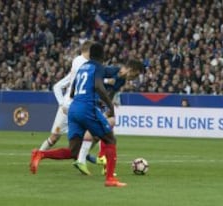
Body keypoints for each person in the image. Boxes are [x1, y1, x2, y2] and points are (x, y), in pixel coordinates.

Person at [30, 42, 127, 187]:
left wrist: (120, 71)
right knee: (110, 139)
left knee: (74, 151)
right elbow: (98, 86)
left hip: (74, 108)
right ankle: (110, 179)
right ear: (102, 55)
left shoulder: (83, 68)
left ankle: (41, 154)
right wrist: (109, 104)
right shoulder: (98, 67)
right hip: (87, 108)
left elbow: (73, 90)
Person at [74, 59, 143, 175]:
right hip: (91, 100)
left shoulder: (121, 80)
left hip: (101, 104)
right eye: (135, 74)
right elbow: (93, 79)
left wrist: (110, 105)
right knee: (106, 132)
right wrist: (106, 80)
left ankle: (88, 159)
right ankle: (83, 160)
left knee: (102, 133)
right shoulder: (111, 70)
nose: (134, 78)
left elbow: (110, 92)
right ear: (131, 69)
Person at [37, 40, 93, 151]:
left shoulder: (81, 68)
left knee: (86, 136)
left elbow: (58, 85)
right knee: (54, 138)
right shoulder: (80, 61)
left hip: (78, 107)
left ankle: (83, 160)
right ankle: (38, 154)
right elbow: (58, 86)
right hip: (68, 106)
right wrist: (62, 103)